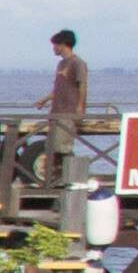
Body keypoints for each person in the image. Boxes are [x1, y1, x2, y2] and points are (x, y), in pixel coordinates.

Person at [41, 29, 89, 194]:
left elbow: (82, 85)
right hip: (56, 111)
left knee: (64, 146)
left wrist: (80, 107)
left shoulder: (77, 63)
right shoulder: (61, 64)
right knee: (53, 146)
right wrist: (45, 99)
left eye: (55, 45)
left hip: (68, 111)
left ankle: (71, 179)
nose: (53, 48)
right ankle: (56, 179)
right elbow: (59, 88)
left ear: (62, 45)